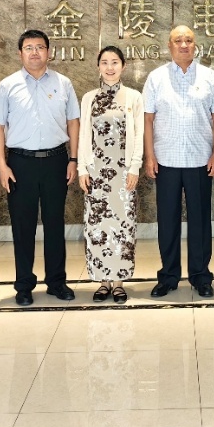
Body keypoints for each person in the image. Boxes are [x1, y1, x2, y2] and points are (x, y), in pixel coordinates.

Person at [0, 29, 80, 306]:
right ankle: (24, 285)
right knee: (23, 226)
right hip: (20, 163)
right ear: (20, 53)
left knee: (55, 224)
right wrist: (2, 165)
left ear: (48, 52)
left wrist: (73, 159)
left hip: (56, 161)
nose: (34, 52)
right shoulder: (8, 85)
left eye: (40, 47)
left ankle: (57, 282)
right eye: (28, 48)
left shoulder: (63, 83)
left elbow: (73, 122)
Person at [143, 25, 214, 299]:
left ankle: (201, 277)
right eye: (178, 40)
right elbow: (148, 119)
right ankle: (168, 276)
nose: (183, 44)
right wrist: (149, 156)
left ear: (195, 45)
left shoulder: (210, 77)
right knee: (167, 221)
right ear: (169, 46)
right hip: (165, 160)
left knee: (200, 221)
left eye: (188, 40)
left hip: (200, 160)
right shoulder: (156, 78)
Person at [77, 46, 144, 304]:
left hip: (123, 173)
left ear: (123, 66)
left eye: (115, 62)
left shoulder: (133, 97)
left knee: (123, 226)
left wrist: (135, 167)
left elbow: (139, 134)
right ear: (98, 67)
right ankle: (102, 281)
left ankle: (118, 282)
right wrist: (83, 168)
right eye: (104, 62)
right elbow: (84, 135)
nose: (109, 67)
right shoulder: (89, 98)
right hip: (97, 174)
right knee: (97, 226)